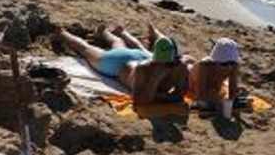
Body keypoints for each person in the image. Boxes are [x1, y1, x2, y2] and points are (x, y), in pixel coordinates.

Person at [59, 25, 189, 106]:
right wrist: (155, 79)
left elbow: (180, 95)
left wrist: (161, 95)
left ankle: (104, 33)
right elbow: (141, 101)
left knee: (119, 43)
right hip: (117, 63)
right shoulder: (143, 69)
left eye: (171, 64)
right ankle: (62, 33)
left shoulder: (179, 66)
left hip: (139, 56)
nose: (168, 67)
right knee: (85, 49)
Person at [192, 38, 243, 119]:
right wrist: (218, 103)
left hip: (215, 85)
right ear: (216, 61)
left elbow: (232, 89)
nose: (229, 67)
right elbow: (201, 93)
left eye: (231, 63)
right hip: (193, 81)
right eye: (224, 64)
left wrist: (229, 106)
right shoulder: (205, 66)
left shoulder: (234, 65)